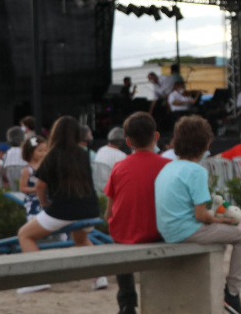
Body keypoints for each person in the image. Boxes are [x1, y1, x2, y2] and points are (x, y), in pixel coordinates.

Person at [155, 116, 241, 314]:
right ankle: (232, 293)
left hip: (168, 230)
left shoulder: (167, 167)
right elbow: (201, 215)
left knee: (221, 239)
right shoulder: (196, 171)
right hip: (187, 231)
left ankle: (216, 287)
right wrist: (224, 220)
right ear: (205, 143)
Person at [104, 112, 170, 314]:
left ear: (128, 141)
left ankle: (127, 302)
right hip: (156, 233)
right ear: (156, 136)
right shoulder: (167, 166)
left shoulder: (118, 167)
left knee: (119, 238)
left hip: (123, 235)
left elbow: (108, 213)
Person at [16, 116, 101, 252]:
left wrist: (44, 204)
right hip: (91, 208)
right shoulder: (84, 154)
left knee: (25, 235)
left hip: (64, 210)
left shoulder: (53, 155)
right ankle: (98, 267)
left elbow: (40, 186)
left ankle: (42, 266)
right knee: (81, 240)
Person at [19, 136, 47, 220]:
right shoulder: (27, 170)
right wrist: (37, 189)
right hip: (33, 199)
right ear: (30, 152)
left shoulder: (45, 167)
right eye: (40, 151)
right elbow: (22, 188)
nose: (43, 153)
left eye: (45, 150)